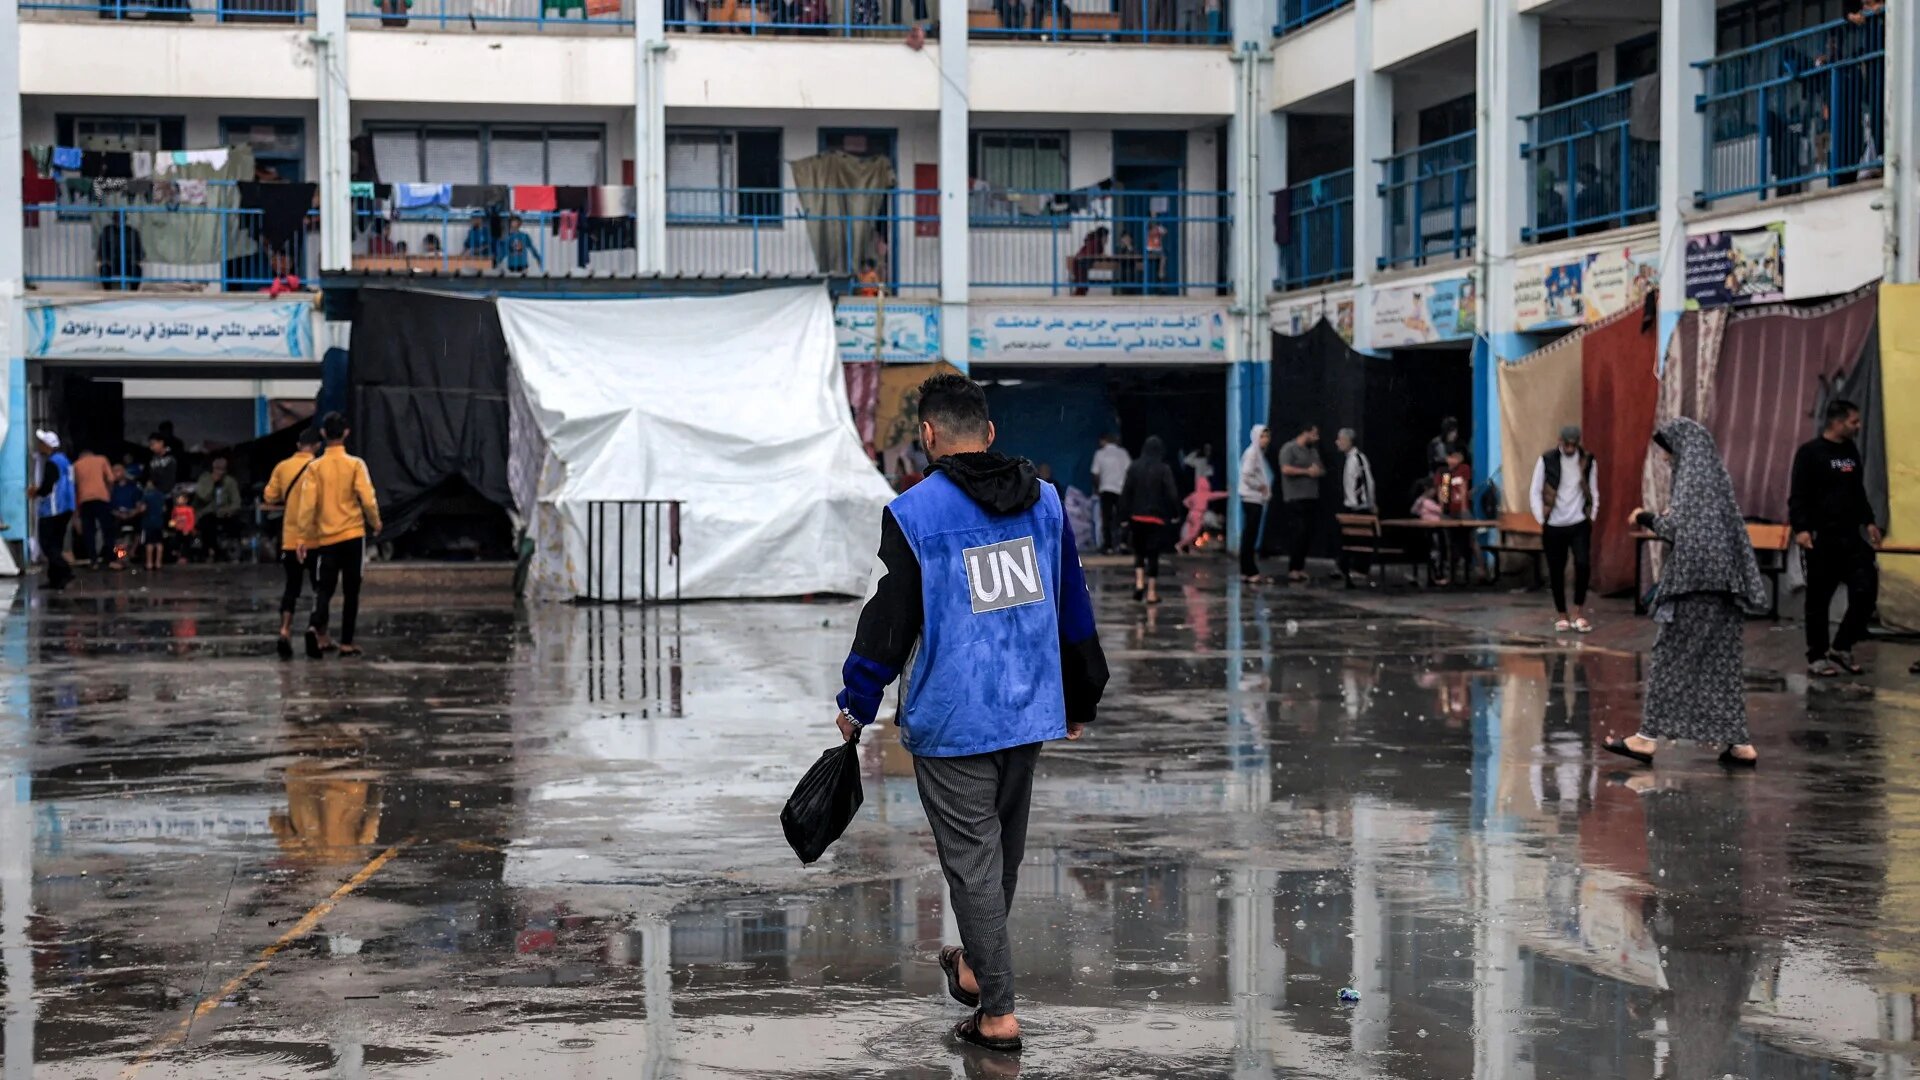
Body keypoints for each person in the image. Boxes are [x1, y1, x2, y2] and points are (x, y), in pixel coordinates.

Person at [830, 374, 1107, 1055]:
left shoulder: (915, 513)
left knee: (976, 869)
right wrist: (1082, 695)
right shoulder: (1044, 503)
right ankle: (980, 968)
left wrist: (857, 699)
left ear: (927, 437)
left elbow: (890, 620)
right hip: (1028, 708)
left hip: (956, 718)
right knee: (998, 860)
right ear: (987, 433)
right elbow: (1072, 602)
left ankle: (999, 1014)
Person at [1606, 418, 1768, 768]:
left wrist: (1644, 516)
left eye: (1667, 452)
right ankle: (1740, 744)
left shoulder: (1690, 480)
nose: (1665, 459)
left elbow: (1677, 529)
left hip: (1695, 584)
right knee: (1720, 663)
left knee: (1670, 656)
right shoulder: (1715, 478)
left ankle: (1646, 739)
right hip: (1725, 583)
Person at [1790, 399, 1881, 677]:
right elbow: (1798, 495)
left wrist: (1869, 521)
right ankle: (1817, 656)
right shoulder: (1810, 453)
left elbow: (1857, 491)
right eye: (1854, 421)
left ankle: (1842, 646)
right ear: (1837, 422)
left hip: (1850, 536)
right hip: (1821, 538)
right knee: (1819, 600)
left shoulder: (1850, 451)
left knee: (1867, 589)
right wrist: (1801, 529)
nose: (1858, 426)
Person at [297, 412, 383, 659]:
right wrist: (375, 522)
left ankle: (315, 626)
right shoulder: (355, 465)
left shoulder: (314, 468)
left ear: (323, 434)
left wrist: (303, 537)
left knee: (324, 588)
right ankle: (346, 643)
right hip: (353, 535)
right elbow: (367, 498)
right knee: (351, 591)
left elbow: (307, 505)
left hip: (327, 538)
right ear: (346, 432)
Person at [1530, 424, 1600, 633]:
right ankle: (1562, 614)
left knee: (1583, 563)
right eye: (1566, 444)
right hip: (1554, 523)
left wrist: (1592, 515)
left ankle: (1578, 611)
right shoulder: (1547, 459)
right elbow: (1535, 489)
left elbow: (1594, 489)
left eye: (1573, 444)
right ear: (1560, 441)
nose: (1570, 448)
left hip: (1579, 521)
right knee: (1556, 569)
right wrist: (1540, 517)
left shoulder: (1587, 460)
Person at [264, 428, 323, 660]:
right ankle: (314, 630)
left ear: (299, 445)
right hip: (316, 539)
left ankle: (285, 630)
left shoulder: (282, 467)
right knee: (320, 589)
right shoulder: (320, 468)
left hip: (290, 539)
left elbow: (270, 496)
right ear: (317, 446)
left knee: (292, 587)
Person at [1119, 436, 1181, 605]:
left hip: (1136, 517)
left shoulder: (1134, 467)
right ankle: (1152, 592)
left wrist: (1124, 517)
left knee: (1139, 552)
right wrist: (1176, 513)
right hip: (1156, 518)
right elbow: (1172, 493)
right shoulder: (1163, 469)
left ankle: (1139, 584)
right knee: (1153, 554)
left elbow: (1126, 492)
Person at [1277, 423, 1324, 584]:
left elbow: (1320, 469)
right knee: (1298, 532)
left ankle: (1300, 567)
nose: (1317, 438)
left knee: (1308, 534)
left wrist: (1317, 471)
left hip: (1311, 497)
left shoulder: (1312, 451)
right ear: (1306, 433)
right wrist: (1306, 472)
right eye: (1314, 434)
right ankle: (1293, 568)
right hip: (1295, 498)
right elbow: (1285, 469)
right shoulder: (1289, 449)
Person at [29, 430, 76, 592]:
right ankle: (56, 579)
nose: (39, 445)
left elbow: (48, 487)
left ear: (47, 445)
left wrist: (36, 492)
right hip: (67, 507)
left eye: (42, 442)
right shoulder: (65, 460)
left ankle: (66, 571)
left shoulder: (52, 463)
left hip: (53, 509)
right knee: (56, 544)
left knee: (47, 545)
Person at [1335, 427, 1376, 581]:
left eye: (1340, 439)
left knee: (1361, 538)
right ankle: (1344, 566)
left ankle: (1360, 568)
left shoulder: (1358, 458)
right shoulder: (1349, 459)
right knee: (1347, 538)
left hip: (1360, 506)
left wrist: (1369, 502)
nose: (1337, 443)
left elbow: (1368, 482)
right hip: (1351, 505)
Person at [1237, 424, 1273, 583]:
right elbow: (1246, 475)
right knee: (1249, 536)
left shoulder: (1257, 454)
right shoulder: (1252, 454)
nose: (1266, 440)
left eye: (1267, 436)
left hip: (1256, 499)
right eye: (1263, 436)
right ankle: (1249, 570)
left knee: (1250, 535)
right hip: (1251, 498)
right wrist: (1260, 487)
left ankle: (1248, 570)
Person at [70, 446, 115, 570]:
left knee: (89, 531)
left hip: (85, 500)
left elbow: (73, 487)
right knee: (108, 530)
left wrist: (75, 510)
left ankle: (93, 561)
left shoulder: (76, 465)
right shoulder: (101, 460)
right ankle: (110, 559)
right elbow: (111, 479)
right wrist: (108, 492)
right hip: (102, 498)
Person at [193, 457, 244, 560]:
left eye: (222, 469)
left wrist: (230, 510)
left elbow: (236, 502)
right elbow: (203, 497)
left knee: (235, 523)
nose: (219, 472)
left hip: (224, 512)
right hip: (207, 512)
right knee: (207, 523)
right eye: (217, 469)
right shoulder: (205, 479)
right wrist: (212, 483)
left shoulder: (230, 481)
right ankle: (208, 551)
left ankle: (232, 552)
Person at [1090, 434, 1131, 555]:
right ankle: (1123, 544)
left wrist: (1097, 488)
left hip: (1106, 489)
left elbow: (1095, 474)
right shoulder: (1123, 453)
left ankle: (1108, 546)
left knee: (1106, 518)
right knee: (1123, 519)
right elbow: (1129, 471)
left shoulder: (1100, 454)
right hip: (1121, 490)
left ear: (1104, 441)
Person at [109, 464, 142, 569]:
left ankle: (125, 558)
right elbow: (110, 506)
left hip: (132, 517)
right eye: (114, 471)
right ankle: (121, 560)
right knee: (119, 541)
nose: (116, 473)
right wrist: (118, 514)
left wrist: (132, 513)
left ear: (123, 471)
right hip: (117, 517)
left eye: (118, 470)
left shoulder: (133, 487)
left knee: (128, 539)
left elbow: (139, 504)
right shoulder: (112, 489)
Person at [141, 480, 169, 571]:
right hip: (159, 522)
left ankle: (149, 563)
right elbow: (164, 509)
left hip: (149, 522)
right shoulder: (161, 495)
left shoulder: (146, 495)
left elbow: (143, 508)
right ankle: (158, 563)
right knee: (159, 543)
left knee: (149, 543)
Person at [168, 493, 197, 563]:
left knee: (186, 544)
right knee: (176, 542)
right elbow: (173, 518)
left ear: (186, 500)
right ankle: (177, 555)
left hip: (186, 530)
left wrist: (188, 529)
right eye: (178, 499)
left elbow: (191, 520)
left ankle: (184, 557)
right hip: (178, 529)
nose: (179, 501)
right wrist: (172, 525)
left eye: (181, 499)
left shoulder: (189, 509)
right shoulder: (175, 509)